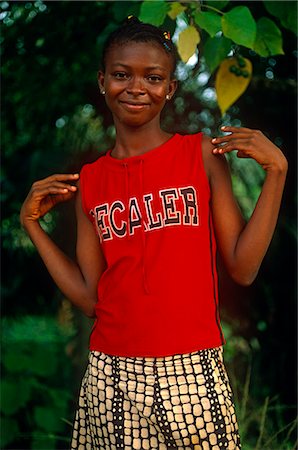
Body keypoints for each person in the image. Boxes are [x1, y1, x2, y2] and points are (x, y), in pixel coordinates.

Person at [20, 17, 288, 450]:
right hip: (111, 375)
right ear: (102, 80)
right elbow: (91, 298)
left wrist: (277, 172)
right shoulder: (91, 180)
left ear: (170, 88)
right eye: (122, 74)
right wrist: (32, 226)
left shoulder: (199, 154)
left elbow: (242, 267)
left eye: (153, 77)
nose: (136, 87)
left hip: (192, 371)